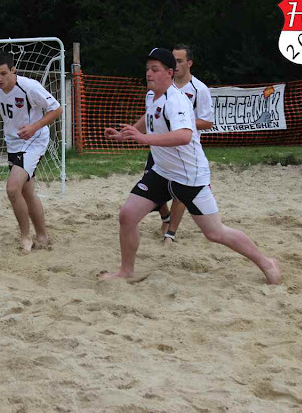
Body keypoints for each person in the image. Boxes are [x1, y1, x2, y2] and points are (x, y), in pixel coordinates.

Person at [99, 48, 280, 285]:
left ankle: (266, 262)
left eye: (155, 70)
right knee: (127, 215)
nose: (149, 74)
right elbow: (149, 117)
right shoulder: (152, 95)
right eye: (147, 69)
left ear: (169, 73)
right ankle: (126, 271)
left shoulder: (177, 101)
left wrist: (143, 139)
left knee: (215, 233)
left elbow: (184, 136)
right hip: (162, 172)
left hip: (188, 176)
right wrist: (127, 134)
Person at [0, 51, 62, 252]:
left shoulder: (29, 87)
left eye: (3, 73)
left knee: (12, 189)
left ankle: (25, 237)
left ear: (13, 70)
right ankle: (43, 235)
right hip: (13, 142)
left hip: (33, 141)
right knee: (27, 192)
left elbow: (56, 109)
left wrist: (34, 127)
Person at [157, 44, 216, 245]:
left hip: (184, 149)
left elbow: (207, 122)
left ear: (189, 63)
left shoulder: (200, 89)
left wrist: (180, 122)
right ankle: (165, 218)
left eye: (180, 61)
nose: (175, 64)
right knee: (152, 187)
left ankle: (170, 233)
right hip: (161, 147)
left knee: (181, 192)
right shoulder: (163, 85)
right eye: (173, 60)